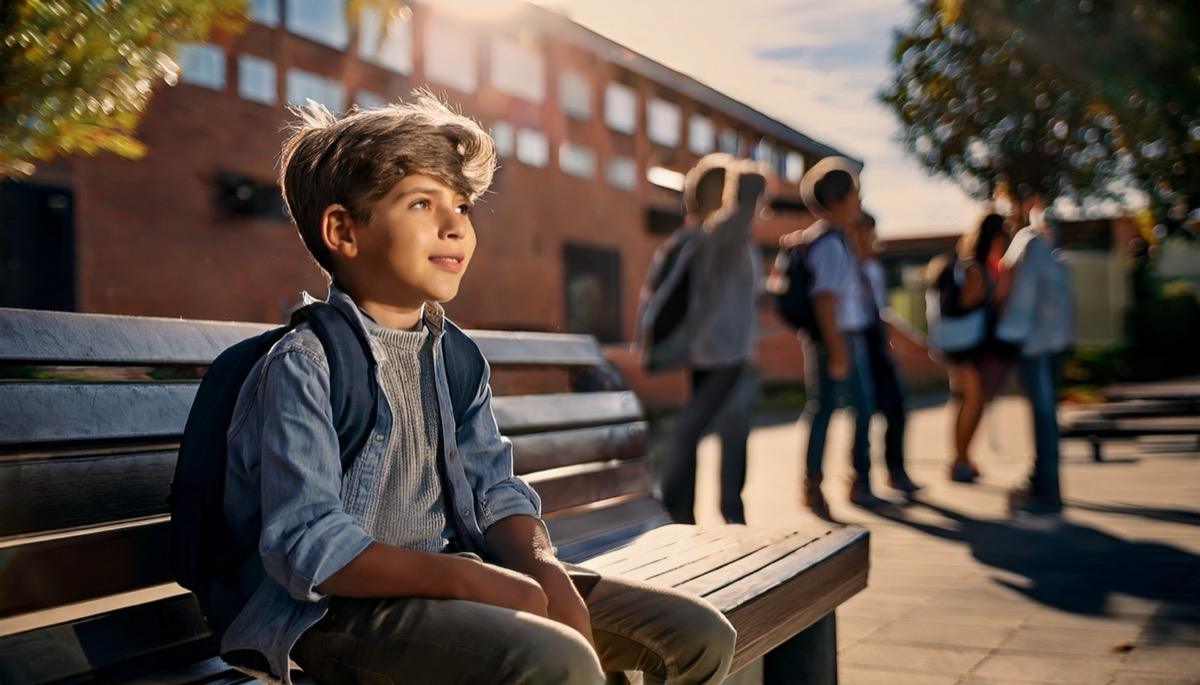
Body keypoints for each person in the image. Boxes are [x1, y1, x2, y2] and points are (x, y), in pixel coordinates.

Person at [220, 92, 735, 685]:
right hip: (339, 616)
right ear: (343, 230)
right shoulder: (307, 365)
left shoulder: (455, 356)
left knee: (697, 637)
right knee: (552, 660)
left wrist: (545, 571)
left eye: (462, 206)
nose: (454, 226)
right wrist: (471, 580)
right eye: (422, 203)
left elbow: (496, 490)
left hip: (458, 579)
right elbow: (310, 544)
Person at [647, 153, 768, 525]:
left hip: (718, 350)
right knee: (700, 431)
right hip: (722, 353)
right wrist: (748, 181)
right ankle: (695, 514)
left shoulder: (701, 240)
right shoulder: (718, 237)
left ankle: (691, 515)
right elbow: (748, 197)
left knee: (729, 430)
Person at [789, 156, 887, 520]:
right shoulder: (829, 243)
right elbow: (824, 299)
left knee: (853, 408)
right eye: (855, 196)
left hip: (846, 338)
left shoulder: (835, 240)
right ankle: (816, 484)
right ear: (840, 200)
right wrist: (837, 351)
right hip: (837, 340)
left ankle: (856, 479)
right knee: (828, 410)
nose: (859, 203)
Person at [994, 195, 1074, 514]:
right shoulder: (1051, 249)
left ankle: (1046, 488)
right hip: (1055, 341)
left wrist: (1004, 331)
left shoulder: (1026, 241)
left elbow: (1019, 290)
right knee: (1047, 415)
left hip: (1033, 342)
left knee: (1042, 415)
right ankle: (1045, 481)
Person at [844, 211, 922, 497]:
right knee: (863, 412)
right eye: (858, 234)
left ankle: (895, 470)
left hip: (876, 345)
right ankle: (858, 478)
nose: (866, 240)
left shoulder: (873, 269)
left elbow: (882, 313)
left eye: (868, 233)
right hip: (856, 342)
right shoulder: (846, 267)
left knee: (897, 406)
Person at [928, 213, 1009, 483]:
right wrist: (997, 292)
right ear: (995, 237)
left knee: (971, 400)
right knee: (971, 400)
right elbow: (965, 304)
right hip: (964, 346)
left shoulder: (978, 265)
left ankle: (963, 458)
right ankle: (959, 461)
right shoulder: (976, 269)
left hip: (966, 344)